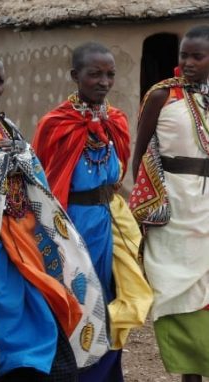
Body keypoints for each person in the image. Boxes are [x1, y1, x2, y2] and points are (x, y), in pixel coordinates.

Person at [0, 49, 109, 381]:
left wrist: (21, 157)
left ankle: (31, 367)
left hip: (23, 239)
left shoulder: (5, 124)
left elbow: (33, 166)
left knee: (39, 305)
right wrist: (1, 160)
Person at [33, 42, 152, 382]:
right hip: (70, 224)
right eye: (94, 74)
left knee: (111, 298)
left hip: (107, 222)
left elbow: (118, 173)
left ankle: (106, 375)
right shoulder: (56, 124)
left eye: (110, 75)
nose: (103, 82)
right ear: (75, 76)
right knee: (78, 300)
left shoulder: (115, 121)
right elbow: (44, 180)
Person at [129, 25, 209, 382]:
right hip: (174, 207)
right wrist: (150, 203)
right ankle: (189, 374)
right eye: (184, 55)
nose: (188, 63)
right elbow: (141, 154)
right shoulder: (162, 96)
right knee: (176, 291)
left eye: (198, 56)